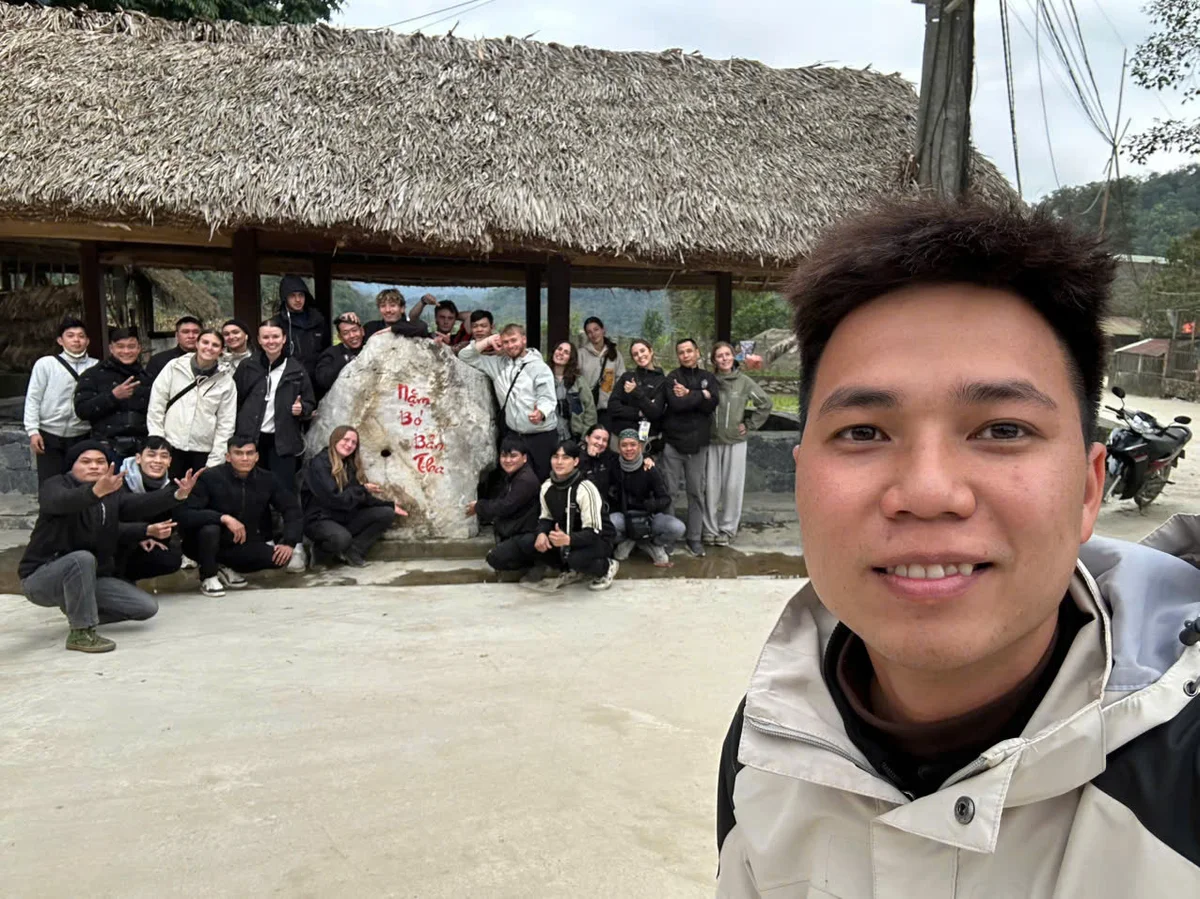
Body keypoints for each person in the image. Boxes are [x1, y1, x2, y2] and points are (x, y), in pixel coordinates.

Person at [715, 199, 1200, 896]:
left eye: (1002, 429)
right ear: (801, 483)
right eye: (863, 432)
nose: (928, 490)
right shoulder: (770, 745)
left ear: (1090, 489)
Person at [18, 441, 200, 653]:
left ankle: (80, 610)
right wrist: (94, 492)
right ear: (72, 465)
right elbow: (62, 501)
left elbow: (137, 505)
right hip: (41, 577)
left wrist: (176, 495)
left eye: (100, 462)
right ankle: (81, 632)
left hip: (89, 578)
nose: (94, 466)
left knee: (145, 608)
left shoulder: (111, 494)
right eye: (86, 462)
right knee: (81, 558)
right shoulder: (56, 485)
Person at [177, 436, 304, 597]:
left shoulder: (267, 479)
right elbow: (186, 514)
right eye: (238, 453)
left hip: (240, 542)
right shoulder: (210, 477)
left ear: (257, 456)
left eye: (249, 453)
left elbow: (291, 509)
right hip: (201, 542)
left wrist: (289, 542)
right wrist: (223, 518)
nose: (245, 458)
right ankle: (209, 575)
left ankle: (224, 566)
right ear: (228, 457)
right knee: (210, 529)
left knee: (278, 558)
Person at [486, 439, 618, 591]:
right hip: (564, 538)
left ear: (575, 461)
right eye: (556, 457)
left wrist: (569, 539)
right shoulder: (547, 486)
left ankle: (606, 566)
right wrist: (541, 533)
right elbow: (546, 517)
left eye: (565, 457)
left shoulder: (585, 489)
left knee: (575, 558)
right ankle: (568, 568)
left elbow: (595, 532)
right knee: (524, 544)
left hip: (597, 540)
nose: (559, 462)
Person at [459, 324, 559, 481]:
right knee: (514, 482)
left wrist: (541, 412)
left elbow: (547, 397)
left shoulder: (539, 367)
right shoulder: (497, 364)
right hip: (514, 435)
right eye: (505, 342)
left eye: (514, 340)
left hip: (540, 436)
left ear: (524, 340)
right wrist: (488, 340)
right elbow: (465, 356)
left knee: (541, 480)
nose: (510, 345)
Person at [301, 426, 405, 567]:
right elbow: (335, 499)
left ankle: (353, 551)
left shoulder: (350, 464)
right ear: (335, 440)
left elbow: (361, 498)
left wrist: (389, 505)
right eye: (346, 440)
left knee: (385, 514)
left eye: (354, 442)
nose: (349, 445)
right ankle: (321, 551)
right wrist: (362, 489)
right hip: (320, 519)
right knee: (342, 538)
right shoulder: (319, 464)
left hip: (342, 516)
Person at [702, 341, 773, 546]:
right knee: (711, 487)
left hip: (735, 442)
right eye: (719, 356)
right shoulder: (708, 381)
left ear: (733, 356)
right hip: (712, 441)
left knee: (732, 487)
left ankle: (727, 529)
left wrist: (750, 425)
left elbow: (765, 403)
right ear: (714, 360)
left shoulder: (744, 382)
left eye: (727, 354)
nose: (724, 359)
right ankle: (710, 528)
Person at [234, 320, 316, 494]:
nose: (271, 341)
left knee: (284, 490)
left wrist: (302, 409)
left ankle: (286, 521)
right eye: (266, 337)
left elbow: (310, 402)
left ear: (284, 338)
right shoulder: (247, 366)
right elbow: (235, 400)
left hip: (283, 440)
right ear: (259, 340)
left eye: (275, 336)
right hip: (251, 439)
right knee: (252, 489)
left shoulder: (297, 370)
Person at [146, 327, 237, 480]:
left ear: (221, 350)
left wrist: (215, 459)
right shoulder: (174, 367)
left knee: (199, 495)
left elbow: (226, 424)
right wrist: (157, 440)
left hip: (203, 450)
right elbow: (157, 404)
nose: (209, 348)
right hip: (171, 445)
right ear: (197, 344)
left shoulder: (226, 381)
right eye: (205, 342)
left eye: (215, 345)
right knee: (170, 495)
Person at [661, 337, 719, 557]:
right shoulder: (672, 378)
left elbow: (712, 403)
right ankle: (669, 538)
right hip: (673, 445)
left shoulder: (708, 377)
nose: (685, 355)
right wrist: (700, 396)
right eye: (681, 352)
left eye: (689, 351)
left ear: (697, 352)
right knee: (670, 493)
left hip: (698, 446)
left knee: (695, 493)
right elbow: (676, 404)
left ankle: (694, 538)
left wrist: (690, 394)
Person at [24, 318, 99, 484]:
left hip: (82, 434)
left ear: (87, 340)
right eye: (70, 336)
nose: (76, 340)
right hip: (50, 434)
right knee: (50, 483)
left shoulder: (97, 366)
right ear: (60, 340)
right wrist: (33, 431)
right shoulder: (45, 364)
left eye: (81, 336)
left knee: (80, 483)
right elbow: (33, 398)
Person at [73, 326, 150, 460]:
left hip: (141, 450)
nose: (126, 351)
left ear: (139, 349)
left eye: (131, 346)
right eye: (120, 346)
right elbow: (82, 411)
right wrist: (113, 397)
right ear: (111, 348)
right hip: (106, 450)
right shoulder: (92, 375)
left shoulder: (147, 377)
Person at [609, 429, 683, 567]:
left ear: (640, 447)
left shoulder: (650, 468)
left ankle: (651, 544)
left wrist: (651, 505)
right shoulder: (614, 466)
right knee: (608, 525)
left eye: (633, 445)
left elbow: (665, 499)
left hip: (649, 518)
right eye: (624, 445)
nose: (628, 449)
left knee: (677, 528)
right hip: (624, 517)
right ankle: (629, 541)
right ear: (619, 448)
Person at [116, 436, 185, 582]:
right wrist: (140, 534)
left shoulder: (171, 486)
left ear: (170, 462)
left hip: (145, 540)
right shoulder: (118, 482)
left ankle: (128, 578)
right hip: (116, 541)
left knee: (170, 559)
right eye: (151, 455)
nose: (158, 461)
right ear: (138, 458)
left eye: (164, 456)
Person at [471, 436, 543, 574]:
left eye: (513, 456)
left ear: (524, 458)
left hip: (527, 535)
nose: (508, 460)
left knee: (494, 558)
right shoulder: (513, 476)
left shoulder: (525, 480)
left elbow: (506, 506)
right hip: (518, 531)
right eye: (504, 456)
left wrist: (479, 507)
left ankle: (536, 565)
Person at [606, 339, 666, 456]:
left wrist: (636, 392)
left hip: (646, 439)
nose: (640, 356)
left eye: (642, 351)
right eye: (635, 354)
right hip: (620, 437)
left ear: (651, 351)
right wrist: (639, 412)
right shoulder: (627, 377)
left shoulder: (662, 381)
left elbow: (655, 412)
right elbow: (612, 406)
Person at [274, 275, 327, 382]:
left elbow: (326, 349)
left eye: (301, 295)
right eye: (292, 296)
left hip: (316, 380)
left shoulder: (318, 320)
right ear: (285, 297)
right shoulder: (277, 323)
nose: (298, 300)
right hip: (289, 379)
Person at [579, 316, 626, 429]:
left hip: (608, 408)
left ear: (603, 330)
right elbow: (576, 379)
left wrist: (616, 401)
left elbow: (621, 378)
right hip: (586, 408)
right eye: (589, 332)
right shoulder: (581, 354)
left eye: (596, 329)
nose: (593, 334)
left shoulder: (615, 354)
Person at [550, 341, 598, 439]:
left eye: (566, 352)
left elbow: (590, 411)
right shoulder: (542, 377)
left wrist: (585, 437)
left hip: (572, 437)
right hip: (548, 436)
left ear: (571, 358)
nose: (561, 353)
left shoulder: (578, 381)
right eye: (559, 349)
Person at [314, 315, 365, 398]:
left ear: (362, 331)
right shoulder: (330, 354)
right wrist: (345, 360)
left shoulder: (370, 348)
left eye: (354, 330)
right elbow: (323, 381)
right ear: (340, 337)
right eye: (346, 333)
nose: (352, 335)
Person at [144, 316, 202, 384]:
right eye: (185, 332)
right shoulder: (158, 361)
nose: (191, 336)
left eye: (195, 332)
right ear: (177, 335)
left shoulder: (211, 360)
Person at [364, 288, 430, 339]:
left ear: (402, 308)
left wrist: (393, 329)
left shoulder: (412, 328)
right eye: (383, 306)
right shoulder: (371, 328)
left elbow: (422, 328)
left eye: (392, 305)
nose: (388, 310)